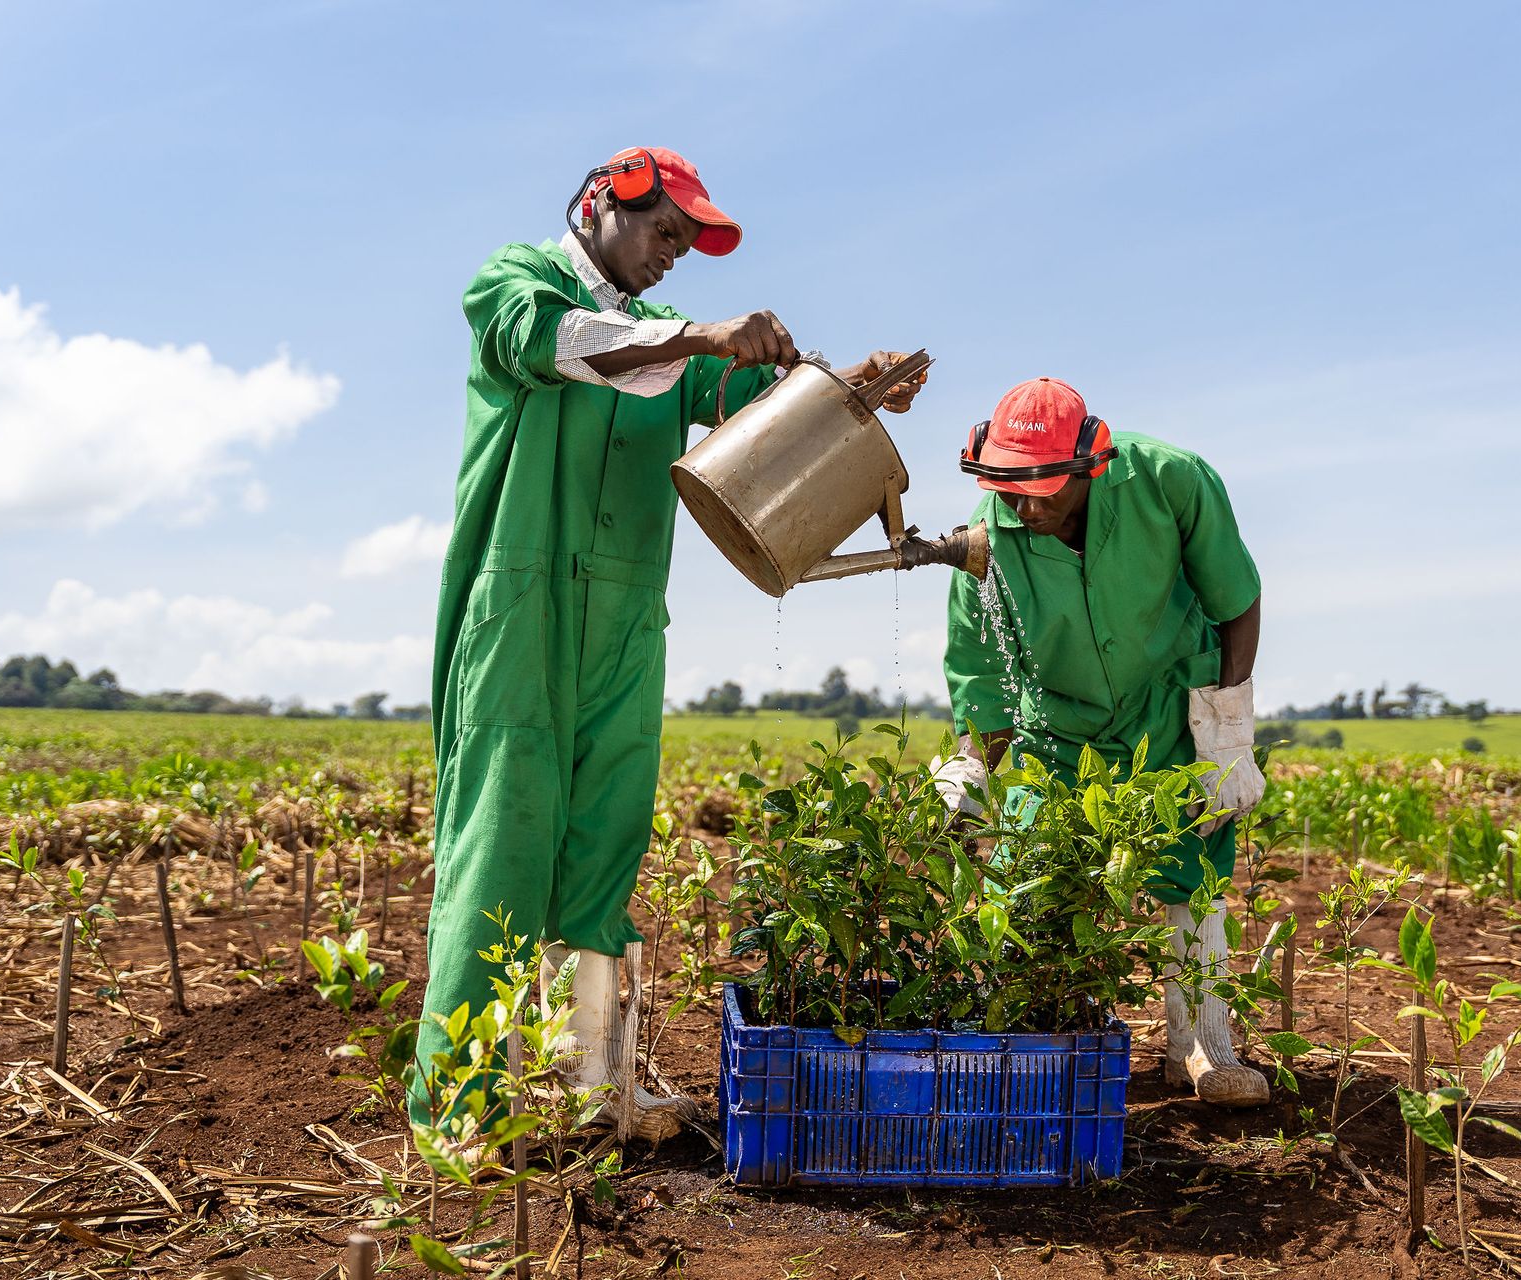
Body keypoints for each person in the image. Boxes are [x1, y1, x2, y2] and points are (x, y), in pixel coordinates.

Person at [420, 146, 926, 1138]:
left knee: (604, 843)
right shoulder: (517, 283)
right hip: (521, 601)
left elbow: (750, 416)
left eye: (688, 246)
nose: (672, 255)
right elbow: (553, 341)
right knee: (503, 843)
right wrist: (697, 333)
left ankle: (588, 1086)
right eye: (664, 233)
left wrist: (851, 389)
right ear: (604, 203)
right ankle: (461, 1108)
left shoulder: (671, 347)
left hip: (624, 614)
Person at [932, 376, 1269, 1107]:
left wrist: (1229, 737)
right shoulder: (990, 532)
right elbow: (980, 670)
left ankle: (1202, 1048)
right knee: (1031, 884)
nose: (1025, 508)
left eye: (1043, 492)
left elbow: (1237, 602)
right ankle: (1031, 1048)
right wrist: (973, 770)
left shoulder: (1170, 481)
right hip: (1058, 728)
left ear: (1090, 466)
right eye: (1011, 491)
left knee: (1194, 872)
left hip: (1171, 708)